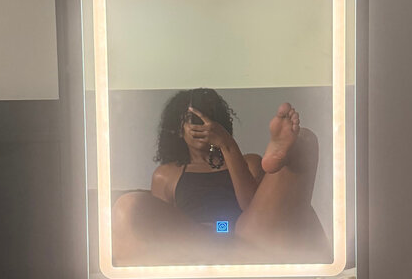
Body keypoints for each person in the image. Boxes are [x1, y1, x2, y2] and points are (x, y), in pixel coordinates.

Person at [111, 88, 331, 266]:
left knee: (303, 141)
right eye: (192, 118)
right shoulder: (166, 175)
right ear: (179, 129)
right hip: (198, 240)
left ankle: (289, 147)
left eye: (208, 118)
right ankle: (233, 255)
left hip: (250, 236)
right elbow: (165, 226)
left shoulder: (249, 162)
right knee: (128, 205)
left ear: (220, 125)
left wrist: (227, 145)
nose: (201, 124)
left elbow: (253, 208)